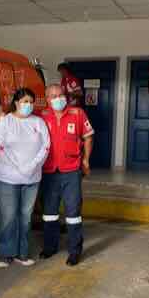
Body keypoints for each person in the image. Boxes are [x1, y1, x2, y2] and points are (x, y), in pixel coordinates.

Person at [0, 87, 50, 268]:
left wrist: (31, 167)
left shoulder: (38, 122)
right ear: (16, 103)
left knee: (25, 217)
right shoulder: (3, 122)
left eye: (31, 102)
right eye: (25, 101)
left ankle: (22, 253)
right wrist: (20, 168)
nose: (29, 105)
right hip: (7, 178)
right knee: (9, 216)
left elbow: (46, 146)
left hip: (32, 179)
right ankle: (5, 253)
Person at [39, 84, 94, 266]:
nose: (57, 98)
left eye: (60, 95)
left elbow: (88, 136)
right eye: (53, 96)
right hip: (48, 171)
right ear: (47, 99)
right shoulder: (40, 116)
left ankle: (74, 251)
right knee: (49, 213)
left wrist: (85, 160)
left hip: (71, 170)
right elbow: (18, 117)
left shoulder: (77, 114)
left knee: (73, 213)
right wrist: (1, 116)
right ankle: (50, 247)